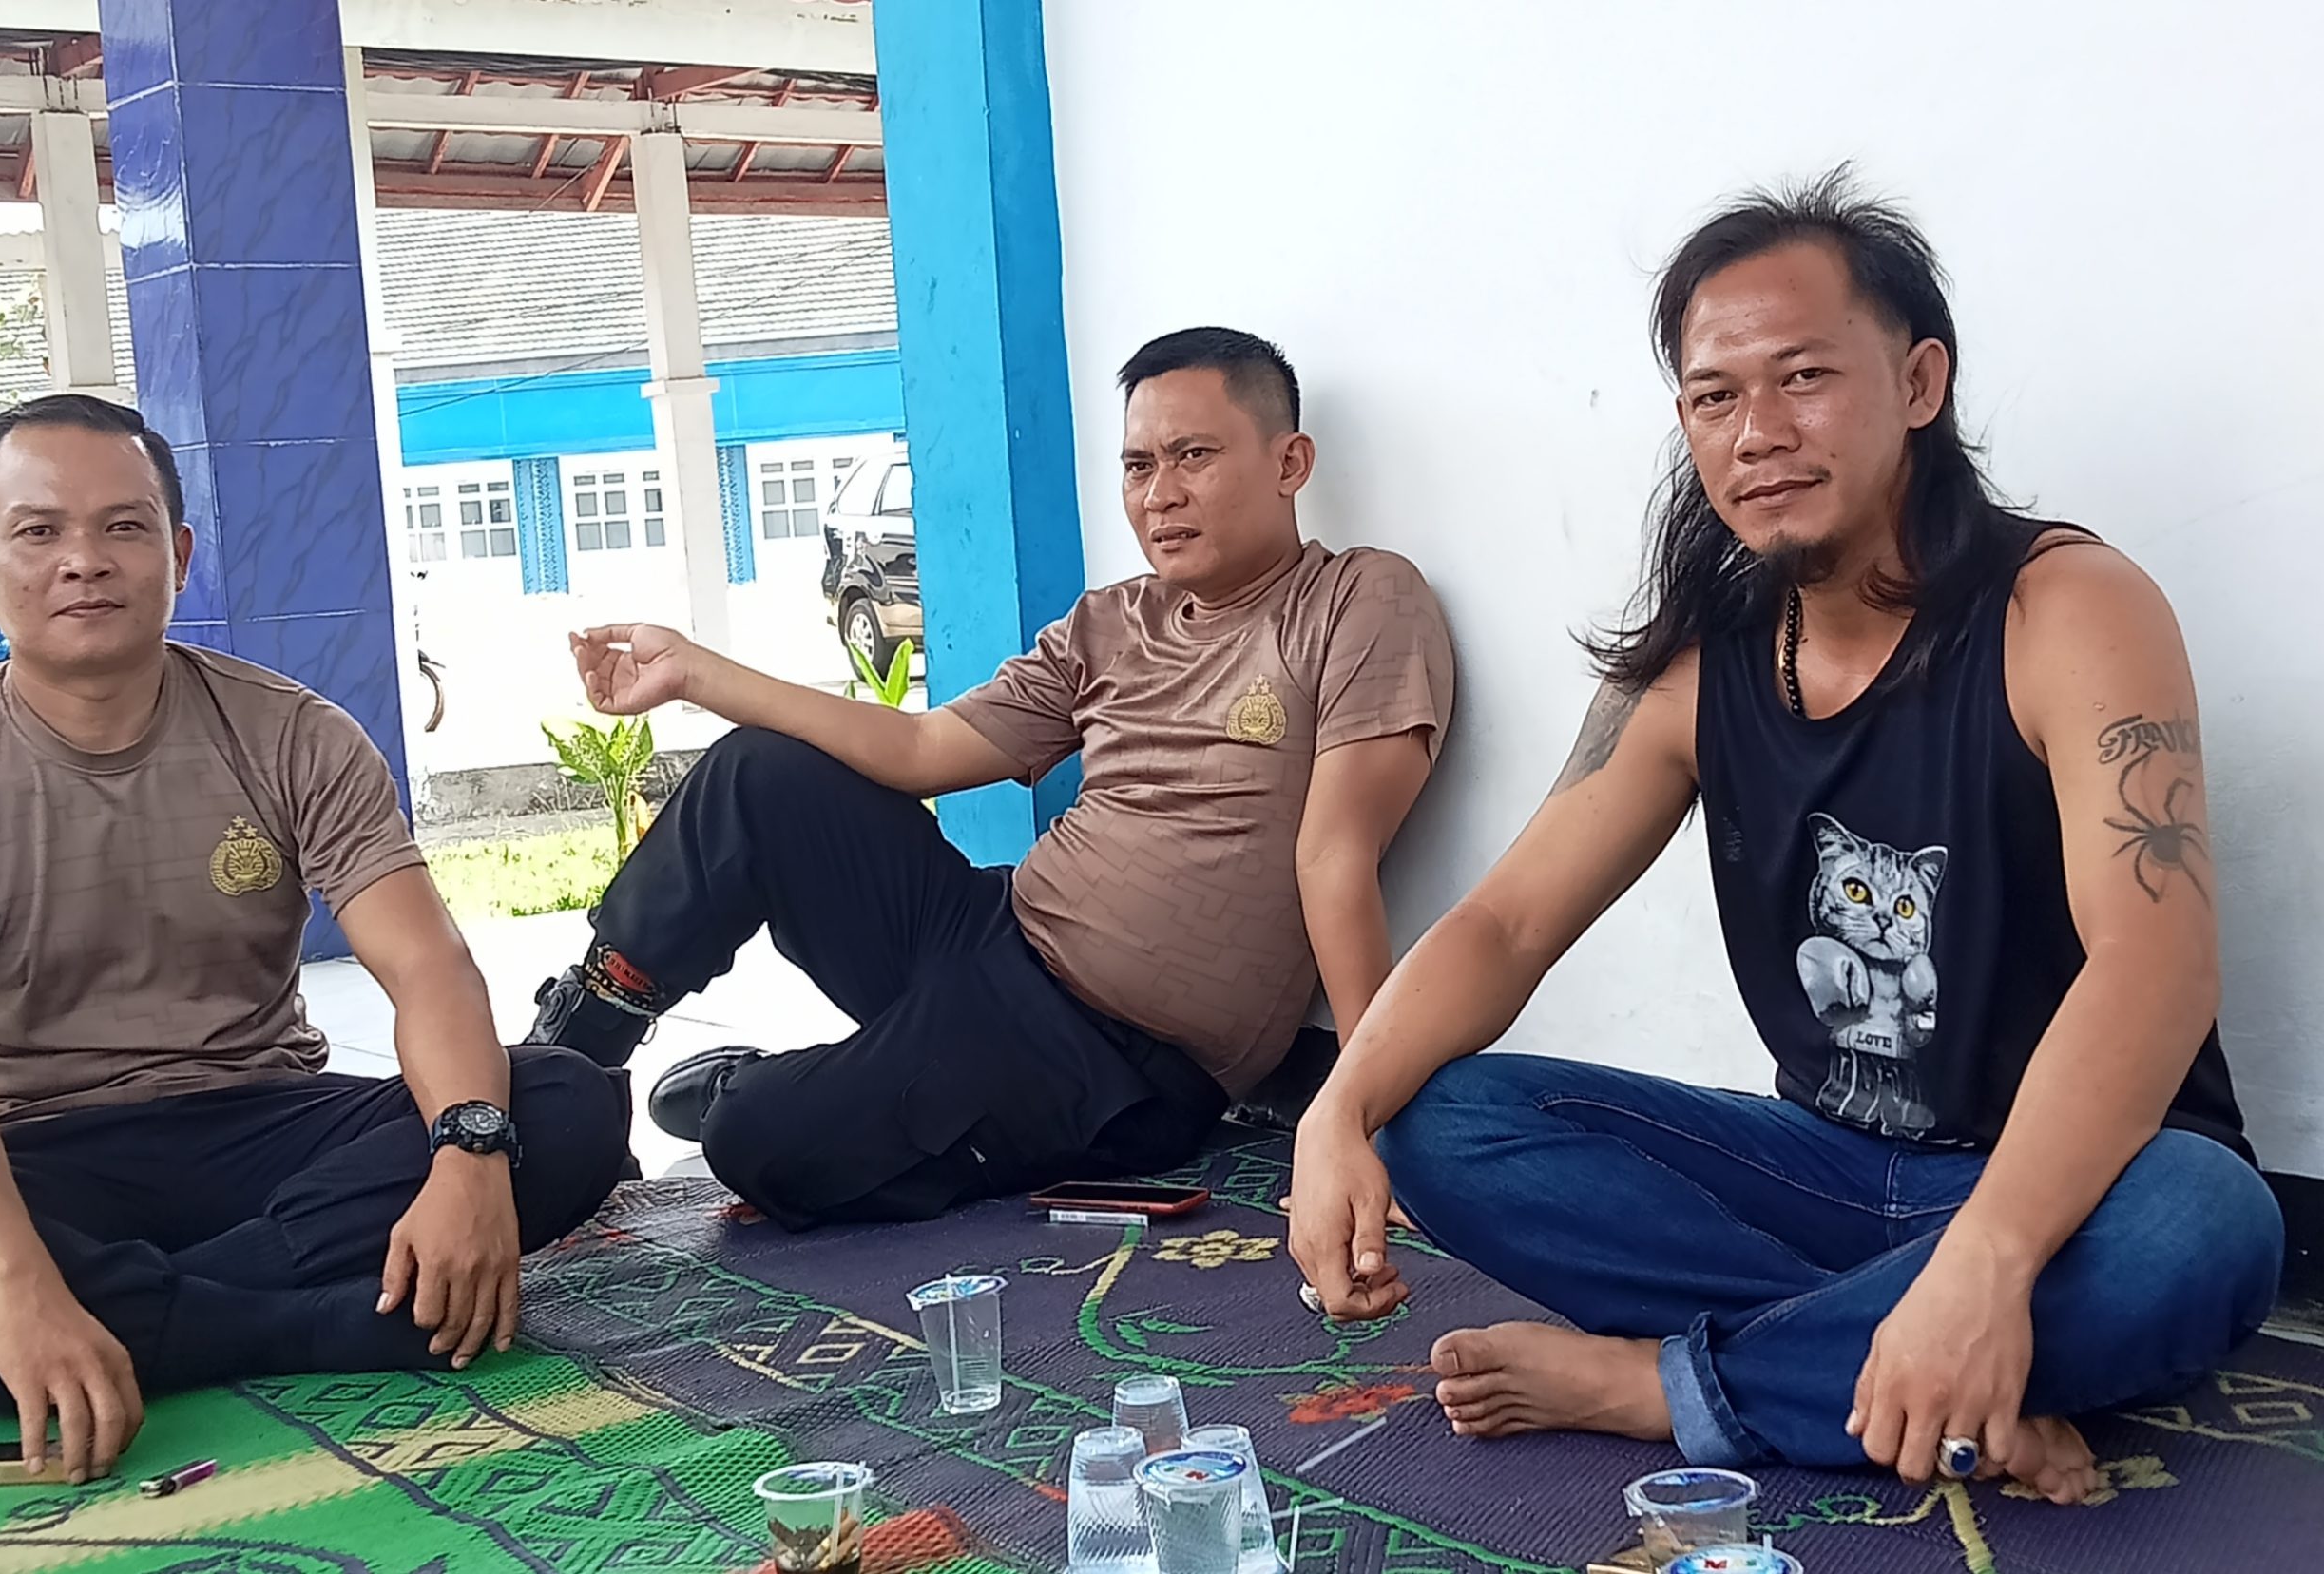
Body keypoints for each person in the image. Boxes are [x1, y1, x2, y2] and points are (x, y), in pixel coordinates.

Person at [1285, 172, 2283, 1505]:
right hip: (1825, 1169)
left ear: (1919, 382)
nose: (1757, 431)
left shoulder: (2066, 610)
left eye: (1804, 377)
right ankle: (1894, 1361)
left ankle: (1674, 1387)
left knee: (2208, 1224)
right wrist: (1336, 1107)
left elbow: (2156, 965)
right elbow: (1507, 924)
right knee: (1440, 1115)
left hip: (2076, 1181)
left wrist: (1989, 1258)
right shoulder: (1698, 668)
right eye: (1715, 396)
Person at [530, 327, 1454, 1230]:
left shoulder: (1357, 601)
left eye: (1194, 456)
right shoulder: (1111, 622)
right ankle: (567, 1069)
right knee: (759, 775)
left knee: (756, 1136)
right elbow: (923, 749)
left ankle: (759, 1085)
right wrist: (693, 674)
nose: (1160, 494)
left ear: (1290, 463)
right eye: (1138, 466)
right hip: (984, 932)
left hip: (1105, 1060)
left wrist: (1365, 1119)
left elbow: (1335, 856)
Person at [0, 395, 628, 1486]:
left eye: (125, 526)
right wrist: (17, 1284)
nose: (84, 561)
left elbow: (426, 967)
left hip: (262, 1122)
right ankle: (311, 1323)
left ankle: (139, 1317)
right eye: (40, 531)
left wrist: (467, 1151)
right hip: (34, 1149)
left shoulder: (290, 734)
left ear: (181, 555)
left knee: (564, 1101)